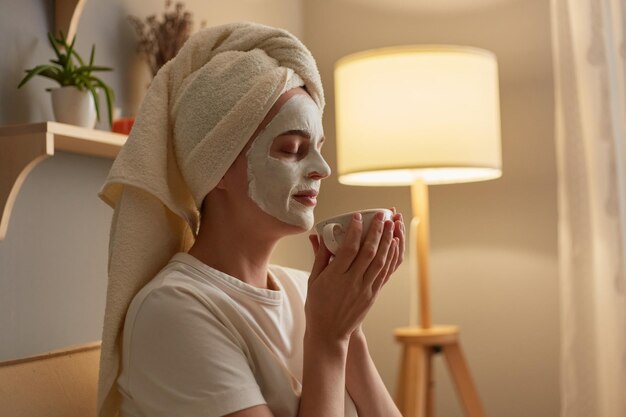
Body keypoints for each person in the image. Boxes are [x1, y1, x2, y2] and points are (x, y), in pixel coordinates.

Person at [96, 22, 405, 417]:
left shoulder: (306, 292)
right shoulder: (174, 311)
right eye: (292, 149)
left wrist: (351, 326)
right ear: (218, 168)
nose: (322, 168)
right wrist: (328, 340)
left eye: (319, 149)